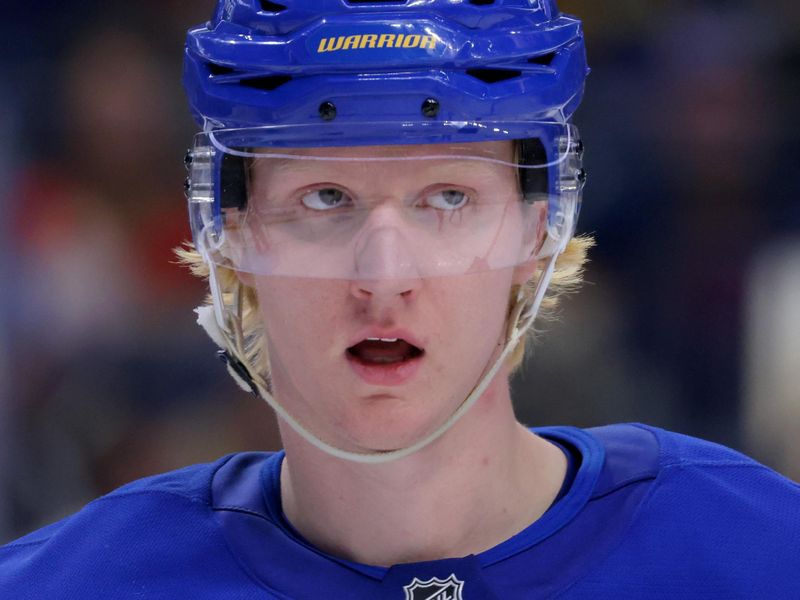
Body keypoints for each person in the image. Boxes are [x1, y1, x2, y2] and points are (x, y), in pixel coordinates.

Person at [1, 1, 799, 598]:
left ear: (539, 227)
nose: (384, 277)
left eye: (447, 197)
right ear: (231, 236)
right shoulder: (69, 584)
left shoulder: (758, 551)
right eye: (324, 199)